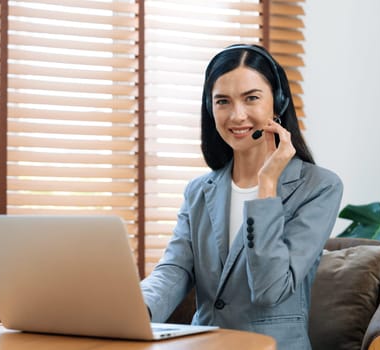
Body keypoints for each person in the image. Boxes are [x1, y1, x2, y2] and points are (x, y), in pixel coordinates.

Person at [140, 44, 343, 349]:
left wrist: (267, 185)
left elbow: (271, 289)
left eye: (251, 98)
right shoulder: (199, 191)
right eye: (223, 101)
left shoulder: (319, 187)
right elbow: (176, 268)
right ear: (210, 109)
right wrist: (136, 308)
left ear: (278, 102)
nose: (237, 115)